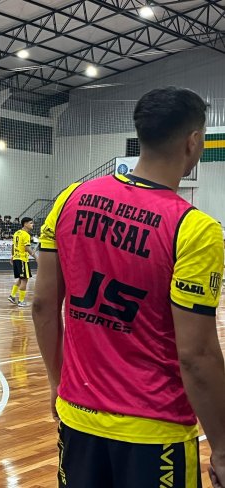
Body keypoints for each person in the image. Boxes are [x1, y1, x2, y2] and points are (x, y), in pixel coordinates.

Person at [32, 87, 225, 488]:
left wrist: (56, 380)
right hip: (155, 429)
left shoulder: (70, 198)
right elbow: (196, 354)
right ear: (193, 141)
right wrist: (222, 447)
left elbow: (43, 306)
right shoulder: (195, 229)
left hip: (78, 416)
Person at [8, 217, 37, 307]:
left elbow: (13, 246)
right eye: (31, 223)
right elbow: (27, 248)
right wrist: (36, 257)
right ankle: (21, 301)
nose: (33, 225)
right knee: (25, 279)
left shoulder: (17, 233)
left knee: (21, 279)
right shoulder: (26, 235)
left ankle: (12, 296)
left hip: (16, 258)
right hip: (22, 259)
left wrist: (12, 256)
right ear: (25, 224)